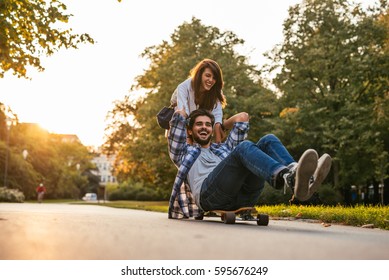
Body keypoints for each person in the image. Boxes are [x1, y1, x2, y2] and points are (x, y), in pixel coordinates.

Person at [167, 109, 332, 219]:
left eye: (208, 125)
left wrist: (221, 125)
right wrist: (182, 106)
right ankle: (287, 177)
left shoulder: (223, 149)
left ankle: (294, 174)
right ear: (189, 130)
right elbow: (179, 118)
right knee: (243, 147)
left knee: (268, 139)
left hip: (243, 197)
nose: (204, 128)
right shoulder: (184, 152)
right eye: (199, 124)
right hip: (209, 197)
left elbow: (242, 118)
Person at [170, 58, 247, 143]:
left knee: (216, 125)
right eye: (208, 75)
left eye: (214, 78)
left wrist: (218, 143)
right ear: (199, 74)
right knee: (183, 123)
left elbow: (217, 115)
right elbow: (184, 115)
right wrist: (189, 140)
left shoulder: (215, 91)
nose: (211, 80)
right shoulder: (183, 87)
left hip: (202, 112)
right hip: (181, 112)